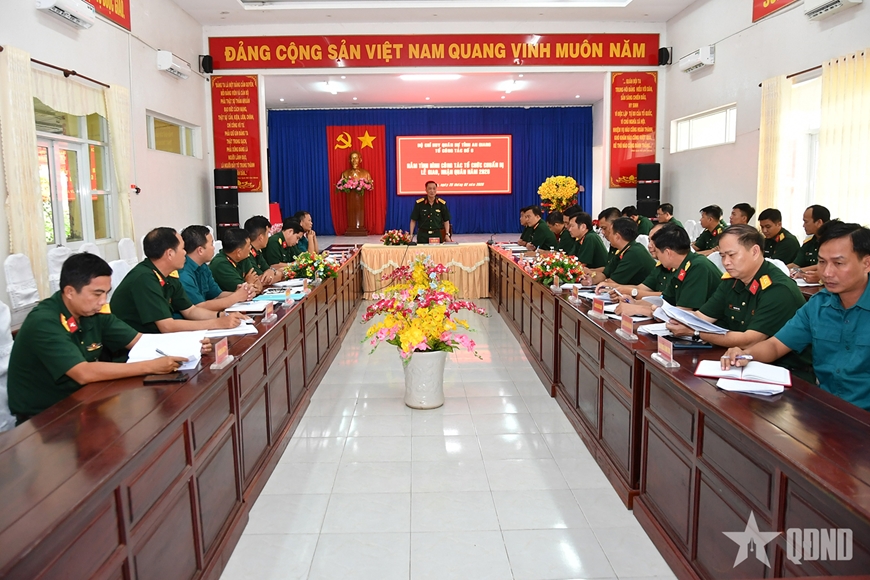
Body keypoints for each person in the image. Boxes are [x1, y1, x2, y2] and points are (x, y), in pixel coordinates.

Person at [6, 253, 193, 425]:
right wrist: (151, 366)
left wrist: (192, 345)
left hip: (85, 401)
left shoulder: (94, 313)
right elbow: (83, 372)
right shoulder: (44, 322)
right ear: (70, 292)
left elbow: (140, 341)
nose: (103, 301)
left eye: (106, 293)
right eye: (97, 294)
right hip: (43, 420)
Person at [722, 221, 870, 411]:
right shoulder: (818, 305)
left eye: (838, 263)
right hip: (824, 407)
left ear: (866, 263)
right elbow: (775, 346)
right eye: (822, 262)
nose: (826, 272)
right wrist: (745, 354)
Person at [665, 225, 811, 376]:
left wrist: (695, 332)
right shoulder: (732, 281)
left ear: (755, 252)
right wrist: (675, 319)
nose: (726, 262)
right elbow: (702, 317)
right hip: (738, 360)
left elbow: (749, 340)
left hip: (786, 372)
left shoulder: (778, 289)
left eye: (731, 255)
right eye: (722, 256)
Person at [111, 227, 247, 334]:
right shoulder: (144, 278)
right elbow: (167, 326)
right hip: (135, 347)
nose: (185, 253)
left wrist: (221, 315)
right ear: (170, 254)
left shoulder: (170, 275)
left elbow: (191, 311)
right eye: (182, 248)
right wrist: (217, 323)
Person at [177, 225, 254, 317]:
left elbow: (217, 294)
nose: (214, 248)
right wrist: (235, 297)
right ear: (200, 250)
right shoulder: (184, 274)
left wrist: (242, 293)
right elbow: (198, 307)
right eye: (211, 244)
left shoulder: (203, 266)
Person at [582, 217, 655, 286]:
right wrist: (591, 280)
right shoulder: (622, 251)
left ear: (617, 237)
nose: (607, 235)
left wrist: (602, 282)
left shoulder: (634, 252)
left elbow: (613, 282)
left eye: (610, 232)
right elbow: (605, 274)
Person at [209, 227, 263, 293]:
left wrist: (253, 285)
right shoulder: (220, 265)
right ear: (238, 252)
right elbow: (243, 291)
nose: (251, 248)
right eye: (248, 246)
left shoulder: (244, 257)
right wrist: (249, 283)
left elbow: (257, 281)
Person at [788, 204, 831, 282]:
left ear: (819, 222)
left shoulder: (832, 242)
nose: (803, 225)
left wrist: (801, 270)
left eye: (806, 221)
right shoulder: (809, 242)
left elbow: (827, 264)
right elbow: (795, 264)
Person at [244, 216, 281, 285]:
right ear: (261, 237)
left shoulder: (257, 252)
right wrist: (279, 275)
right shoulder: (246, 254)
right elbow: (261, 280)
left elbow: (268, 270)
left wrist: (272, 271)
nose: (268, 237)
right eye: (267, 233)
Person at [597, 207, 623, 272]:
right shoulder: (613, 245)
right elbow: (608, 269)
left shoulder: (627, 249)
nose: (603, 232)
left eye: (604, 228)